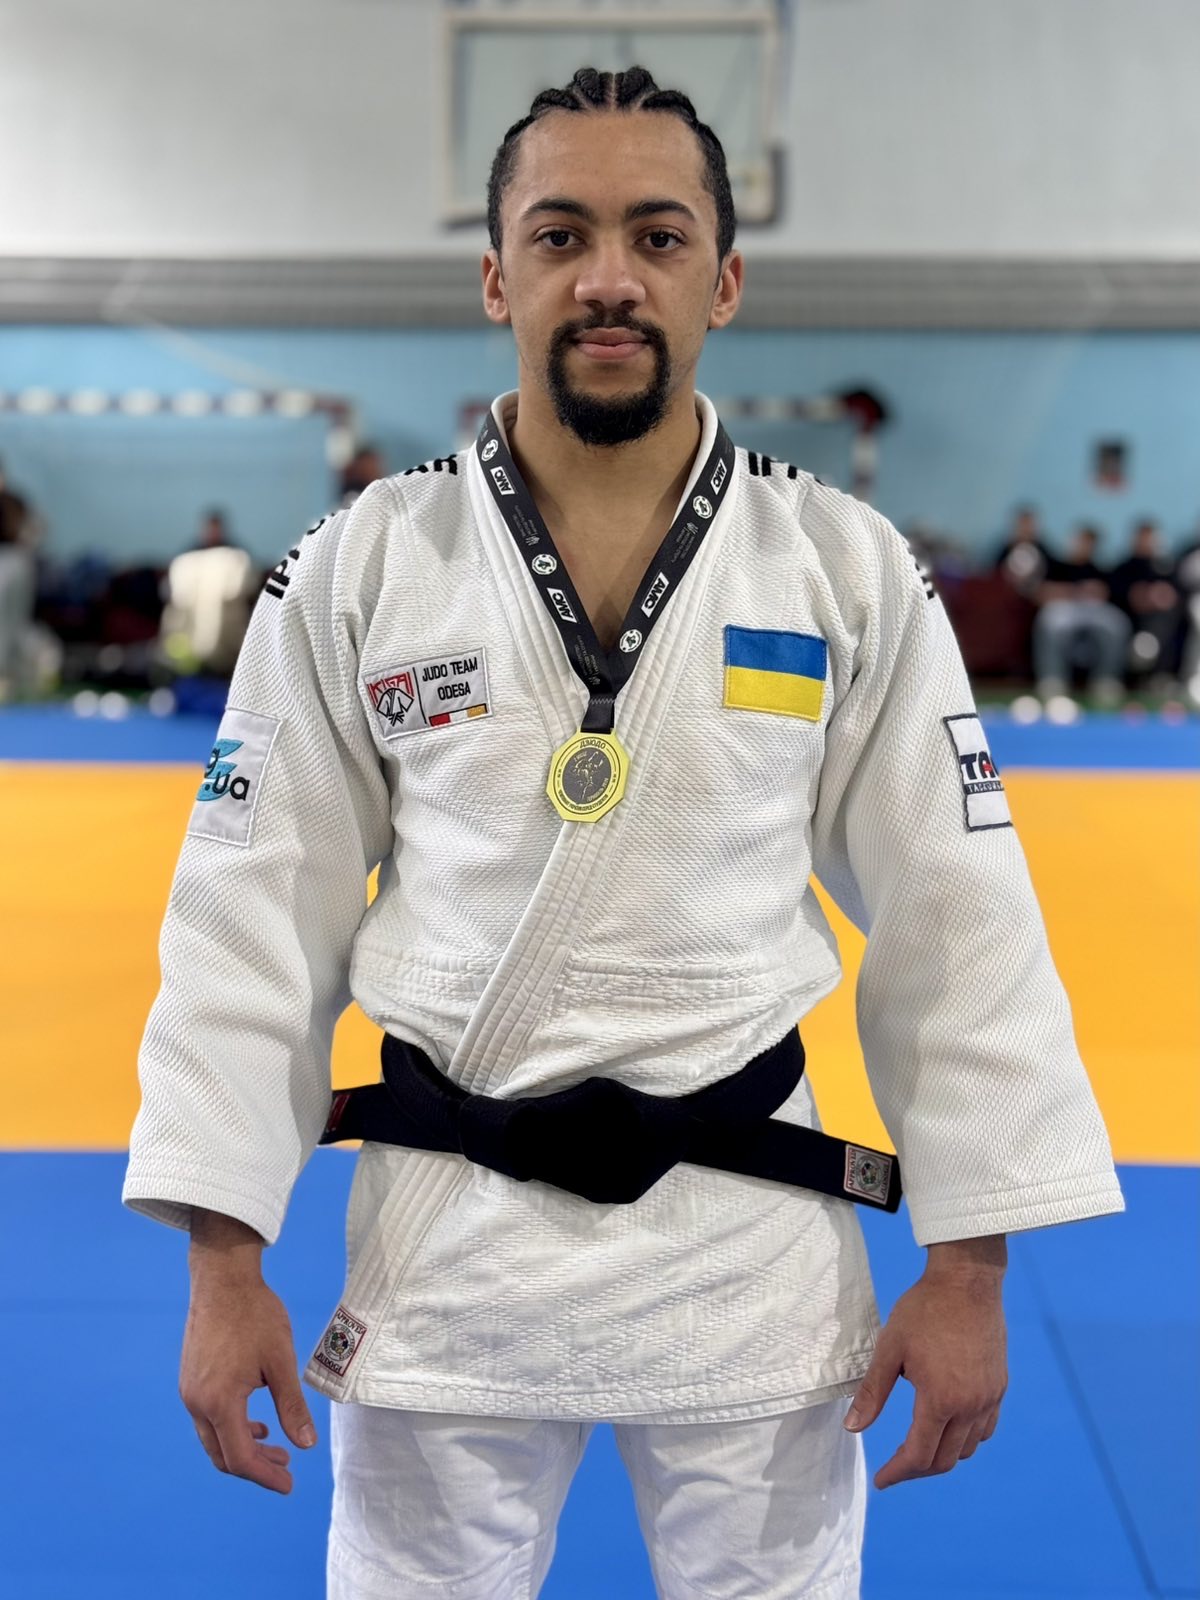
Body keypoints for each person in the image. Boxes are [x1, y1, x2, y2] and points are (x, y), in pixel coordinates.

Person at [124, 67, 1123, 1600]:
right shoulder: (364, 564)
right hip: (451, 1245)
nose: (608, 278)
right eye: (561, 235)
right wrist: (221, 1257)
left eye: (658, 238)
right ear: (496, 276)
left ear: (722, 281)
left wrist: (971, 1268)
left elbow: (958, 914)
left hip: (748, 1248)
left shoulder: (841, 565)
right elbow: (249, 915)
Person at [1031, 523, 1129, 706]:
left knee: (1116, 623)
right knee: (1051, 620)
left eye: (1090, 543)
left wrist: (1096, 592)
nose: (1085, 546)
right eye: (1082, 542)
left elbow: (1106, 593)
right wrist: (1075, 591)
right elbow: (1042, 593)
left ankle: (1106, 680)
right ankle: (1052, 679)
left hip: (1093, 611)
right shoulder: (1057, 565)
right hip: (1064, 609)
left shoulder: (1098, 569)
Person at [1109, 518, 1184, 692]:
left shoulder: (1164, 567)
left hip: (1157, 618)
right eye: (1142, 537)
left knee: (1167, 619)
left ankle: (1160, 674)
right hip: (1129, 615)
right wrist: (1138, 596)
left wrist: (1161, 596)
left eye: (1149, 537)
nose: (1146, 541)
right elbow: (1118, 592)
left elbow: (1174, 593)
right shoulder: (1124, 567)